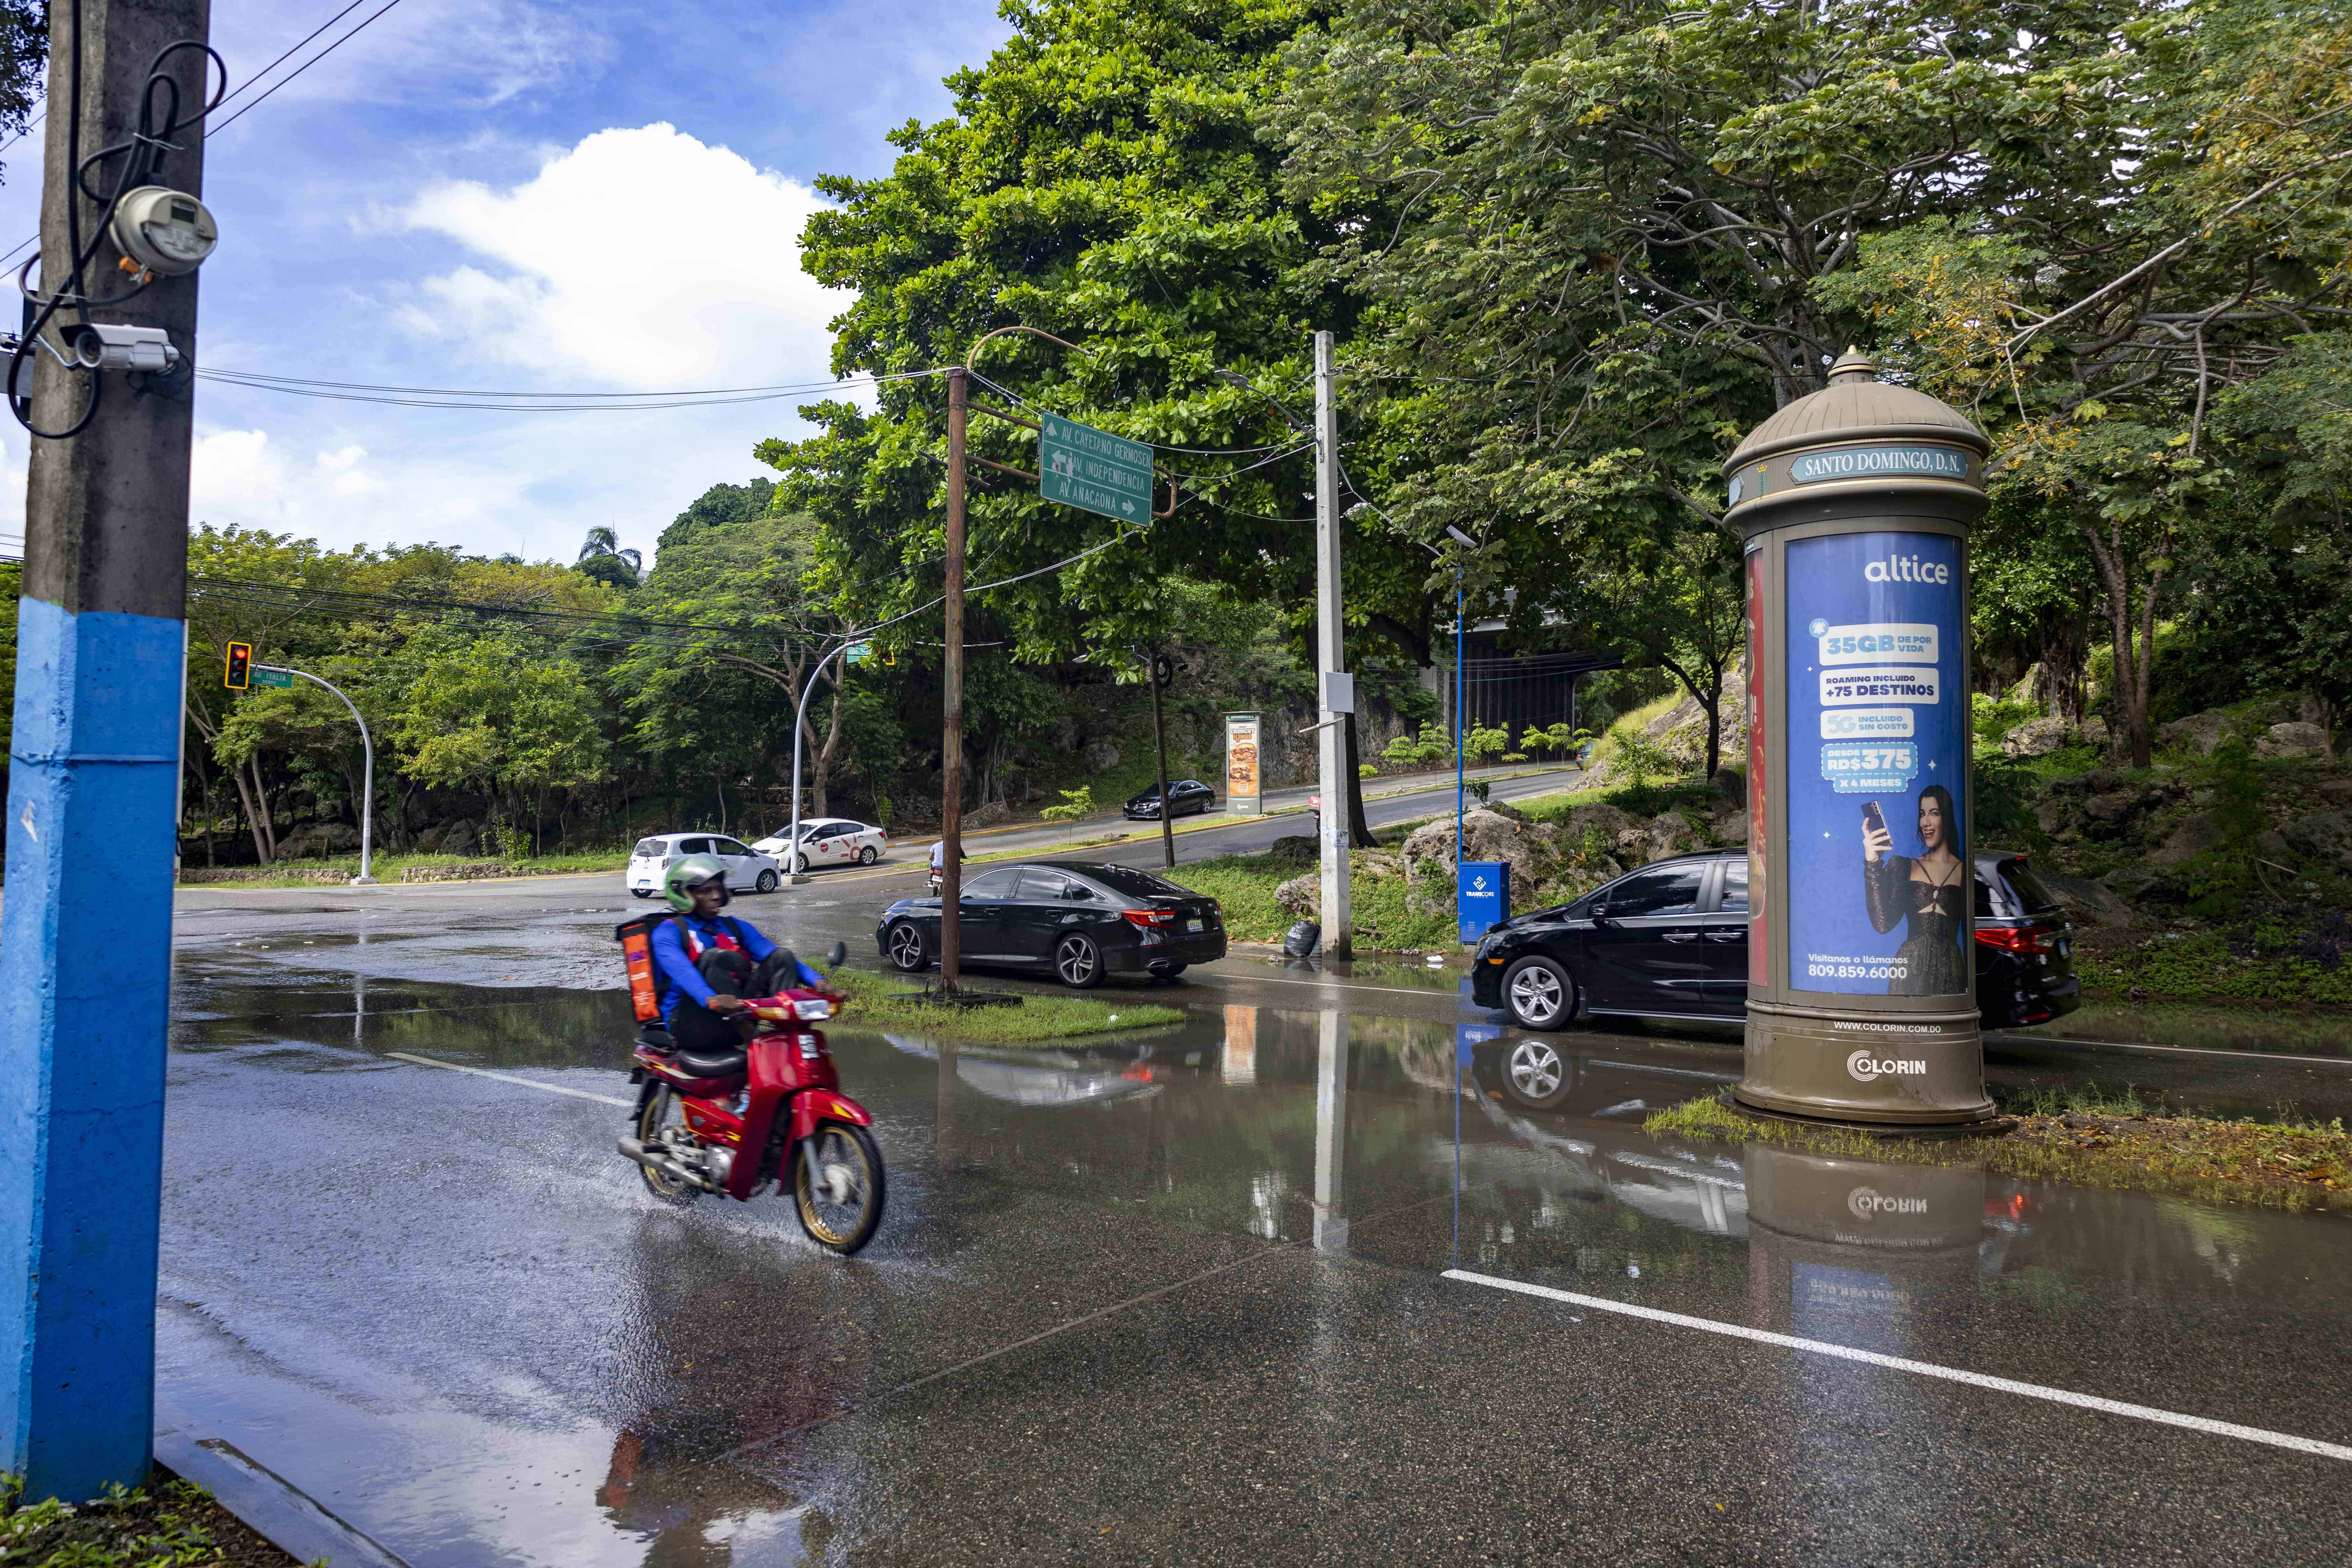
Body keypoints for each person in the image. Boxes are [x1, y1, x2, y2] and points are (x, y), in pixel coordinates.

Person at [650, 854, 822, 1053]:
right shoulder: (668, 932)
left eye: (718, 889)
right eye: (706, 891)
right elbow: (682, 972)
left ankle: (787, 1033)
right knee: (714, 957)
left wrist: (819, 982)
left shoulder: (733, 927)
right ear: (685, 895)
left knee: (782, 956)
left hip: (734, 1010)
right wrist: (711, 999)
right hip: (689, 1021)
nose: (716, 896)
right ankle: (746, 1032)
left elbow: (774, 955)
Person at [1860, 782, 1966, 995]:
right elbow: (1883, 924)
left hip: (1951, 973)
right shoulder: (1904, 867)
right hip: (1909, 969)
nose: (1926, 823)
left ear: (1946, 817)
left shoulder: (1965, 870)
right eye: (1922, 814)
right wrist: (1872, 864)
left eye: (1934, 813)